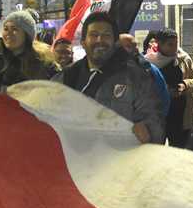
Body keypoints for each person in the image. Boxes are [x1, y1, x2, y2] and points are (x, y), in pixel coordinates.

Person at [53, 13, 164, 144]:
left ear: (115, 42)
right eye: (94, 35)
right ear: (83, 42)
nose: (100, 40)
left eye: (106, 35)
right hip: (76, 153)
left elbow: (153, 120)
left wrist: (147, 131)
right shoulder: (66, 77)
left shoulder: (136, 77)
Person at [0, 10, 59, 93]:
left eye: (14, 29)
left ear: (27, 35)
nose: (8, 33)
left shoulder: (42, 61)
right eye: (6, 29)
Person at [145, 29, 193, 147]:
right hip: (158, 116)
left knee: (178, 150)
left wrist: (185, 85)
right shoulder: (149, 62)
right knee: (156, 150)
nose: (174, 48)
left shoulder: (184, 59)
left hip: (180, 116)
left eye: (176, 43)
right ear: (160, 44)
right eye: (170, 44)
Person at [117, 33, 170, 116]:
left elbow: (163, 97)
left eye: (135, 45)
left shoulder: (150, 70)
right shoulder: (108, 72)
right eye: (128, 46)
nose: (135, 49)